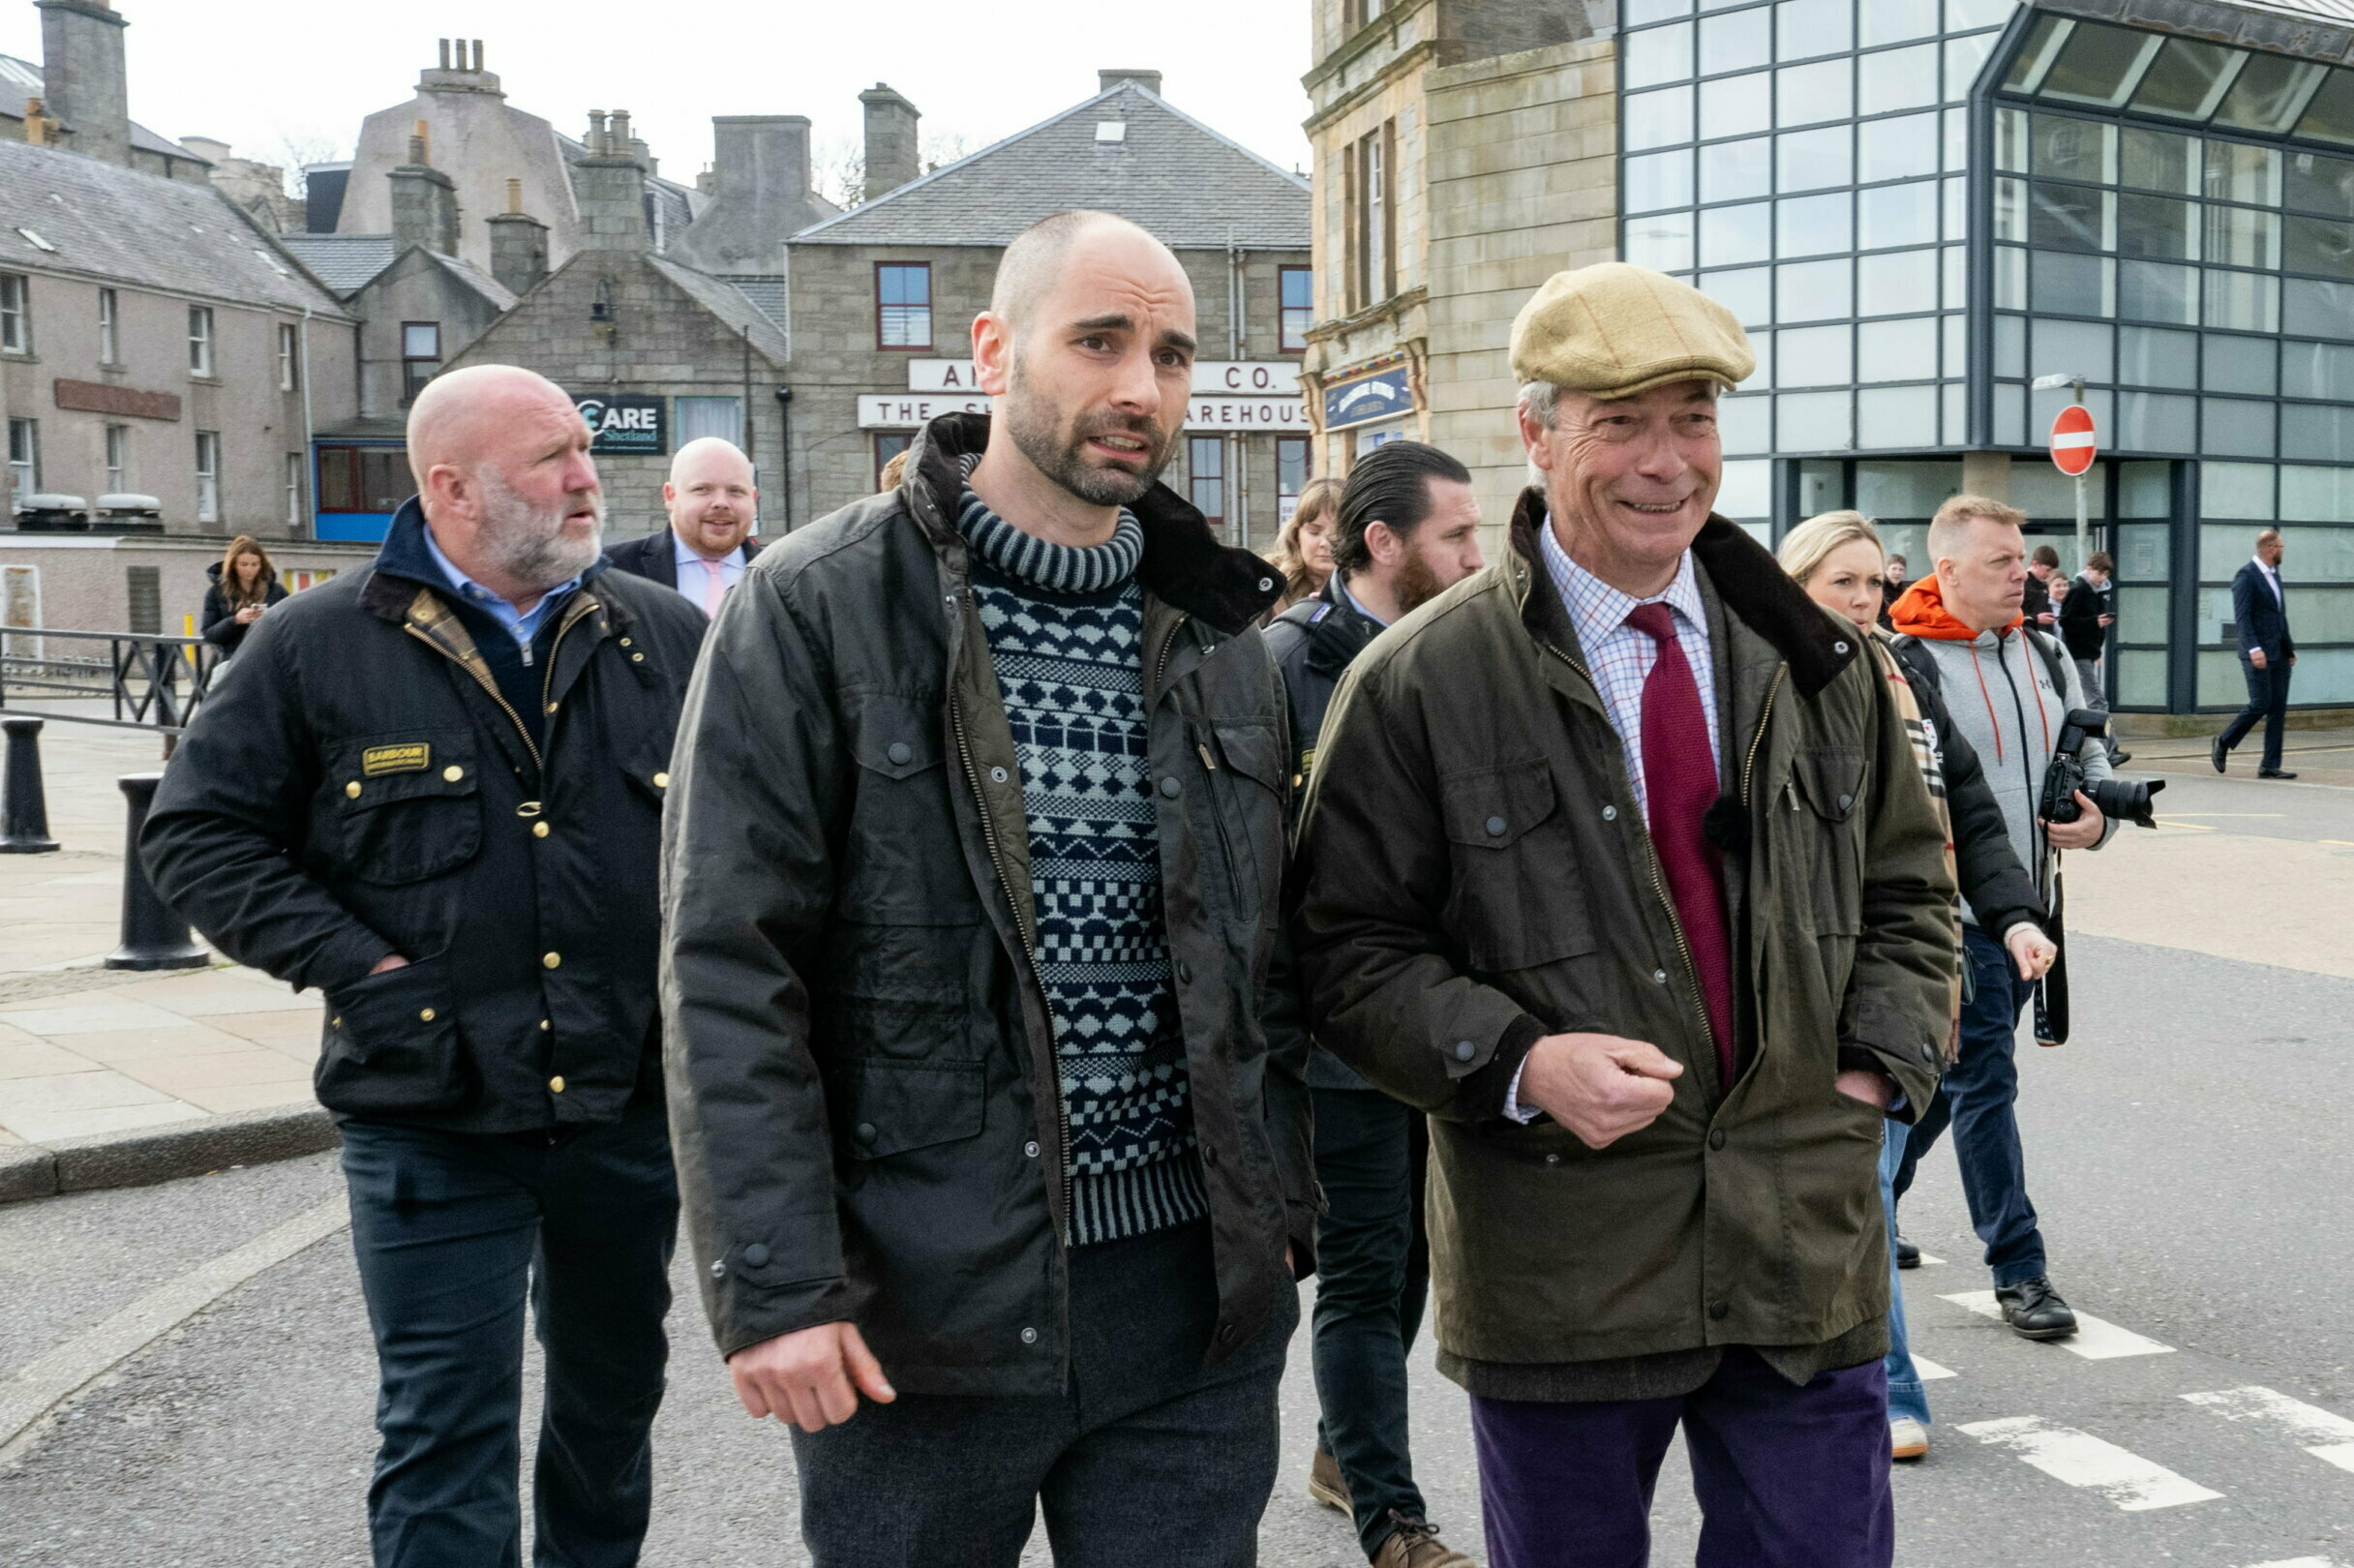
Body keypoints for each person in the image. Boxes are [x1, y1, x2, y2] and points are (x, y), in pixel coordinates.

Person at [661, 210, 1314, 1568]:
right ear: (993, 350)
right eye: (1099, 341)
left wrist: (1285, 1215)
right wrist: (778, 1288)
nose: (1141, 387)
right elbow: (728, 966)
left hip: (1192, 1308)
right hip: (924, 1314)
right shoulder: (815, 602)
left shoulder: (1221, 637)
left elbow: (1271, 965)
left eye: (1172, 355)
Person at [1293, 261, 1957, 1568]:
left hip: (1801, 1243)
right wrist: (1520, 1063)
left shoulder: (1817, 661)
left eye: (1692, 418)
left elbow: (1909, 885)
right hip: (1561, 1265)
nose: (1666, 461)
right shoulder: (1420, 680)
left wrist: (1875, 1068)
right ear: (1536, 435)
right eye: (1621, 422)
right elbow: (1344, 952)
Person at [141, 365, 708, 1567]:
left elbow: (753, 845)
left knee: (611, 1410)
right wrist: (362, 969)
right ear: (450, 488)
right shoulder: (313, 645)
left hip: (624, 1107)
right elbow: (196, 836)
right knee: (445, 1429)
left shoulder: (663, 635)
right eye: (550, 458)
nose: (587, 479)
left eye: (584, 451)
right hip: (429, 1112)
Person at [1779, 510, 2053, 1464]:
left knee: (1867, 1188)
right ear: (1794, 588)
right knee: (1841, 1192)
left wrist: (2015, 917)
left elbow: (1968, 812)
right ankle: (1837, 1377)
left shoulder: (1903, 678)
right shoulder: (1757, 684)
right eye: (1841, 584)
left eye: (1874, 583)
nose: (1864, 602)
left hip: (1897, 972)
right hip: (1794, 978)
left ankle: (1884, 1391)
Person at [1264, 439, 1482, 1568]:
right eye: (1457, 534)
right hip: (1335, 1034)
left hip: (1439, 1027)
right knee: (1363, 1263)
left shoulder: (1463, 656)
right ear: (1382, 542)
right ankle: (1391, 1521)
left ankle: (1340, 1448)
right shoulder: (1283, 663)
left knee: (1410, 1267)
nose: (1476, 555)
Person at [1886, 495, 2115, 1346]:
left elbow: (2091, 754)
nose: (2023, 574)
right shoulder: (1908, 663)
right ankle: (2019, 1268)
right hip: (1952, 917)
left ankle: (1871, 1200)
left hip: (2031, 910)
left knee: (1951, 1083)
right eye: (2002, 562)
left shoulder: (2045, 650)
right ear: (1947, 571)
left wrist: (2098, 818)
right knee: (1985, 1080)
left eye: (2022, 558)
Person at [601, 435, 763, 613]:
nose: (721, 503)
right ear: (670, 495)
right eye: (702, 489)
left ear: (753, 499)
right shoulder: (609, 570)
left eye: (735, 491)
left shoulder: (778, 575)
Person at [2214, 528, 2297, 779]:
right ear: (2271, 548)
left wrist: (2288, 648)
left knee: (2277, 709)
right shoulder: (2246, 576)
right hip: (2257, 653)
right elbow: (2243, 617)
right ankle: (2224, 741)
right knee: (2260, 703)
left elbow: (2278, 616)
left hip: (2279, 653)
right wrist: (2254, 648)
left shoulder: (2274, 575)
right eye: (2281, 547)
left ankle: (2270, 765)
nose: (2283, 551)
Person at [2059, 550, 2124, 765]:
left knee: (2086, 702)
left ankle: (2097, 749)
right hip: (2078, 653)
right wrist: (2094, 622)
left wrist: (2096, 649)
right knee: (2097, 701)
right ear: (2088, 569)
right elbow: (2066, 621)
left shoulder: (2098, 592)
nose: (2102, 578)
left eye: (2105, 574)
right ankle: (2108, 750)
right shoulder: (2079, 590)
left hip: (2087, 652)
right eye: (2099, 573)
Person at [199, 534, 288, 656]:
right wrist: (235, 620)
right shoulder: (216, 592)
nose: (249, 569)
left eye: (254, 564)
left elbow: (289, 625)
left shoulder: (276, 591)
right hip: (234, 659)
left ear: (262, 564)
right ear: (233, 565)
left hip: (268, 658)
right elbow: (209, 635)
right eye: (244, 564)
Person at [1271, 475, 1341, 615]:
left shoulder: (1373, 591)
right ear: (1296, 535)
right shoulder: (1269, 584)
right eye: (1314, 532)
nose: (1325, 543)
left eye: (1338, 533)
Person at [2021, 543, 2061, 631]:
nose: (2049, 575)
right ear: (2035, 564)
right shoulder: (2022, 585)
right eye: (2048, 570)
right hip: (2028, 634)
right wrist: (2036, 619)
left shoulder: (2043, 585)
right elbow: (2013, 617)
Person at [1879, 551, 1907, 629]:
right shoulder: (1879, 589)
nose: (1897, 573)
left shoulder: (1904, 593)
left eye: (1901, 570)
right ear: (1886, 570)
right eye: (1894, 569)